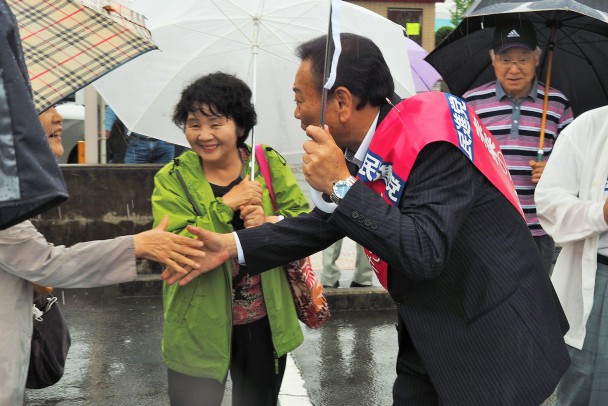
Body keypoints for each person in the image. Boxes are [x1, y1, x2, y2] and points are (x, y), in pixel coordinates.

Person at [162, 34, 570, 405]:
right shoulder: (374, 141)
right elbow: (324, 224)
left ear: (341, 101)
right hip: (428, 332)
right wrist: (232, 246)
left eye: (300, 98)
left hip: (488, 338)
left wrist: (341, 185)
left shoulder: (431, 137)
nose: (297, 113)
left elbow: (424, 252)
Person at [151, 72, 309, 406]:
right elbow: (174, 246)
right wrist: (226, 205)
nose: (203, 134)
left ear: (240, 124)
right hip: (196, 324)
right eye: (194, 123)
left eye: (215, 122)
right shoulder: (172, 179)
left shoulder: (266, 165)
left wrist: (268, 222)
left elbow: (304, 224)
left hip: (263, 324)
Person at [463, 18, 574, 275]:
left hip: (538, 226)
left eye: (523, 59)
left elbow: (576, 165)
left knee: (535, 303)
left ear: (537, 59)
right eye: (505, 59)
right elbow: (459, 160)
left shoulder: (557, 104)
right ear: (493, 60)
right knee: (487, 300)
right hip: (485, 224)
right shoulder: (471, 102)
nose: (514, 69)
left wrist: (554, 172)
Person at [535, 106, 608, 405]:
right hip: (599, 280)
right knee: (587, 382)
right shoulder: (589, 127)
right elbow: (548, 201)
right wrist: (599, 213)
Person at [105, 105, 175, 164]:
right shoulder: (131, 91)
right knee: (130, 177)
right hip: (137, 142)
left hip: (164, 143)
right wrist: (106, 128)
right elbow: (113, 107)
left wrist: (176, 133)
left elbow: (179, 107)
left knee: (166, 178)